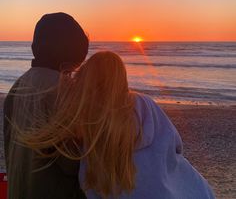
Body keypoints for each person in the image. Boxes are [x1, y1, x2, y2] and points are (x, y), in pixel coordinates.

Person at [18, 51, 215, 199]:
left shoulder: (84, 113)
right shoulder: (145, 104)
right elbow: (176, 145)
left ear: (87, 78)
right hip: (184, 189)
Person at [3, 12, 89, 199]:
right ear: (73, 53)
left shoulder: (18, 85)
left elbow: (10, 146)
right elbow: (73, 162)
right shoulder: (62, 91)